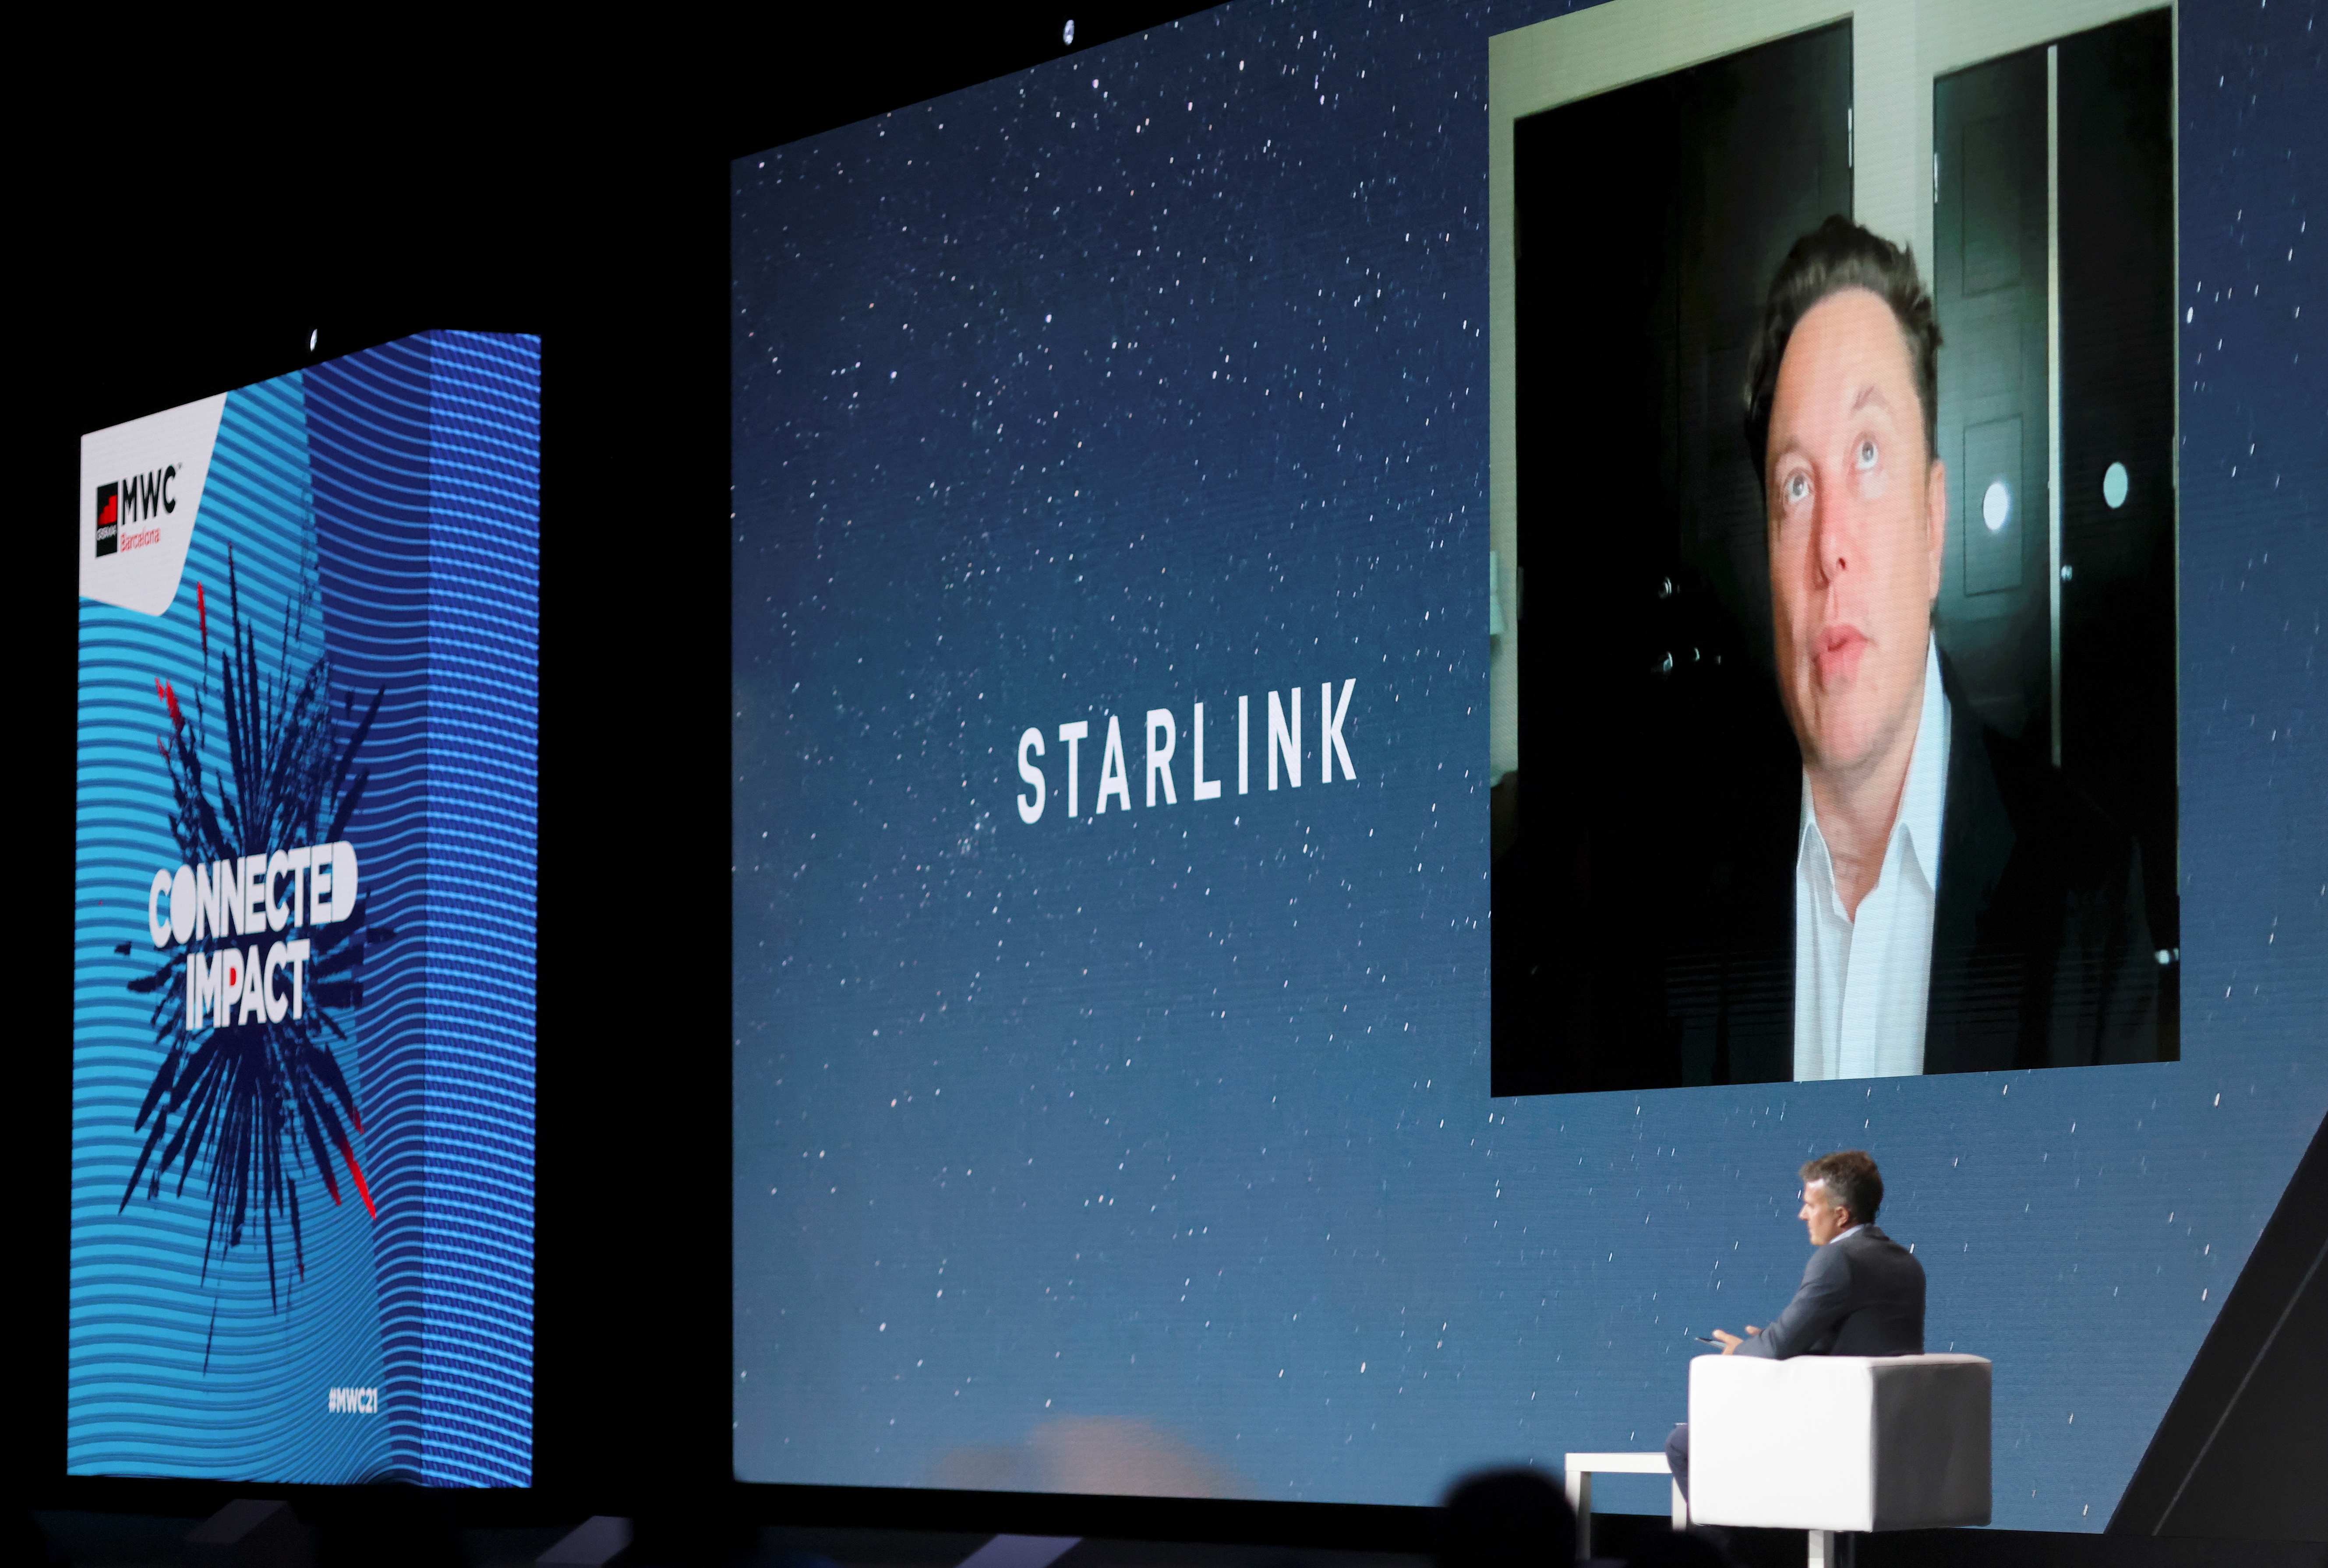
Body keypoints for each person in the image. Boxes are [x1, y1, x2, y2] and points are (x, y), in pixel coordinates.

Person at [1669, 216, 2158, 1081]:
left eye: (1866, 454)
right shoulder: (1687, 906)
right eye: (1795, 485)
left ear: (1933, 525)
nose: (1829, 546)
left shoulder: (2090, 906)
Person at [1663, 1150, 1923, 1505]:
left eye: (1810, 1205)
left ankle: (1738, 1539)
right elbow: (1864, 1342)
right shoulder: (1905, 1262)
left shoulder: (1838, 1259)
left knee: (1683, 1444)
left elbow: (1777, 1347)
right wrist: (1770, 1341)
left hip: (1830, 1430)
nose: (1802, 1215)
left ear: (1841, 1215)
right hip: (1888, 1429)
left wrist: (1741, 1350)